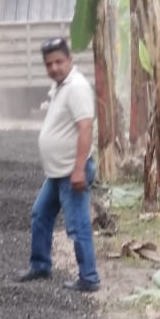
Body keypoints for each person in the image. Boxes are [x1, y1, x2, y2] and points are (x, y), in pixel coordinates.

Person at [18, 37, 100, 293]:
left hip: (71, 170)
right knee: (41, 214)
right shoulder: (61, 86)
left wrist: (79, 170)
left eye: (58, 61)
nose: (54, 67)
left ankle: (89, 278)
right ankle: (40, 265)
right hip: (57, 172)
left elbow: (85, 127)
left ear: (70, 60)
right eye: (49, 64)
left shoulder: (77, 87)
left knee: (77, 225)